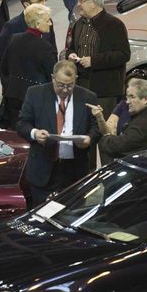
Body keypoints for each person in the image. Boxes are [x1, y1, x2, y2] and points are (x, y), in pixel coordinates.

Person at [16, 60, 101, 207]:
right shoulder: (35, 94)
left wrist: (89, 139)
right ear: (52, 78)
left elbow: (96, 127)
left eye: (70, 85)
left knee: (72, 213)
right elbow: (22, 124)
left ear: (76, 79)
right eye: (61, 85)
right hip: (44, 168)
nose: (65, 90)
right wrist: (35, 133)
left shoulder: (88, 97)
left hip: (75, 171)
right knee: (41, 213)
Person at [65, 0, 131, 117]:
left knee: (102, 128)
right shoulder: (78, 24)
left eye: (81, 1)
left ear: (93, 3)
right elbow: (71, 48)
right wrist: (70, 55)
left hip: (104, 90)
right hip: (81, 86)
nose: (78, 5)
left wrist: (93, 61)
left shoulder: (114, 25)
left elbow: (123, 54)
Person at [0, 4, 56, 129]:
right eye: (47, 21)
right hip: (36, 98)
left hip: (13, 95)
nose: (50, 24)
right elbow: (52, 74)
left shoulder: (14, 39)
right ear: (37, 24)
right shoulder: (45, 47)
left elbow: (4, 66)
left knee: (15, 133)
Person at [89, 79, 147, 161]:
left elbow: (117, 147)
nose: (127, 102)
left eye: (132, 97)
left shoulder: (143, 124)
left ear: (145, 99)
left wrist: (104, 139)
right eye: (127, 97)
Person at [0, 0, 56, 70]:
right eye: (39, 1)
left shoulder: (47, 21)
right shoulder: (11, 27)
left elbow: (53, 51)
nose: (44, 5)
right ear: (27, 5)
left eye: (44, 0)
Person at [88, 70, 147, 136]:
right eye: (129, 86)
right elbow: (107, 132)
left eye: (136, 86)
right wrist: (99, 117)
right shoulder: (123, 105)